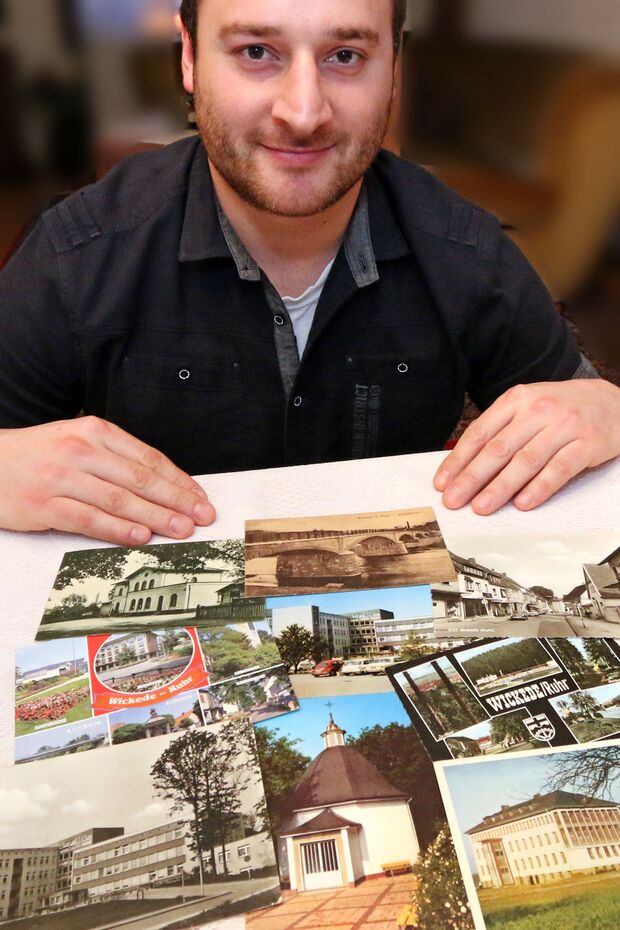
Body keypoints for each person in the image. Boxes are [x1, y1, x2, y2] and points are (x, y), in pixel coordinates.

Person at [0, 0, 619, 546]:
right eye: (256, 51)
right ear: (189, 60)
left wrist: (608, 410)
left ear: (394, 71)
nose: (303, 112)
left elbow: (575, 417)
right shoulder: (74, 257)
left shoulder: (468, 252)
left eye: (345, 55)